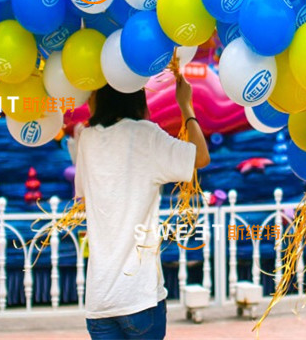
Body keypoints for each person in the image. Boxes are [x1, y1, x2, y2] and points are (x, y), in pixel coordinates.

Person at [73, 72, 210, 339]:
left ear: (102, 97)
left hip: (100, 300)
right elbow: (201, 156)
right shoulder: (146, 136)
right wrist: (186, 105)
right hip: (139, 296)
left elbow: (84, 197)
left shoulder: (86, 140)